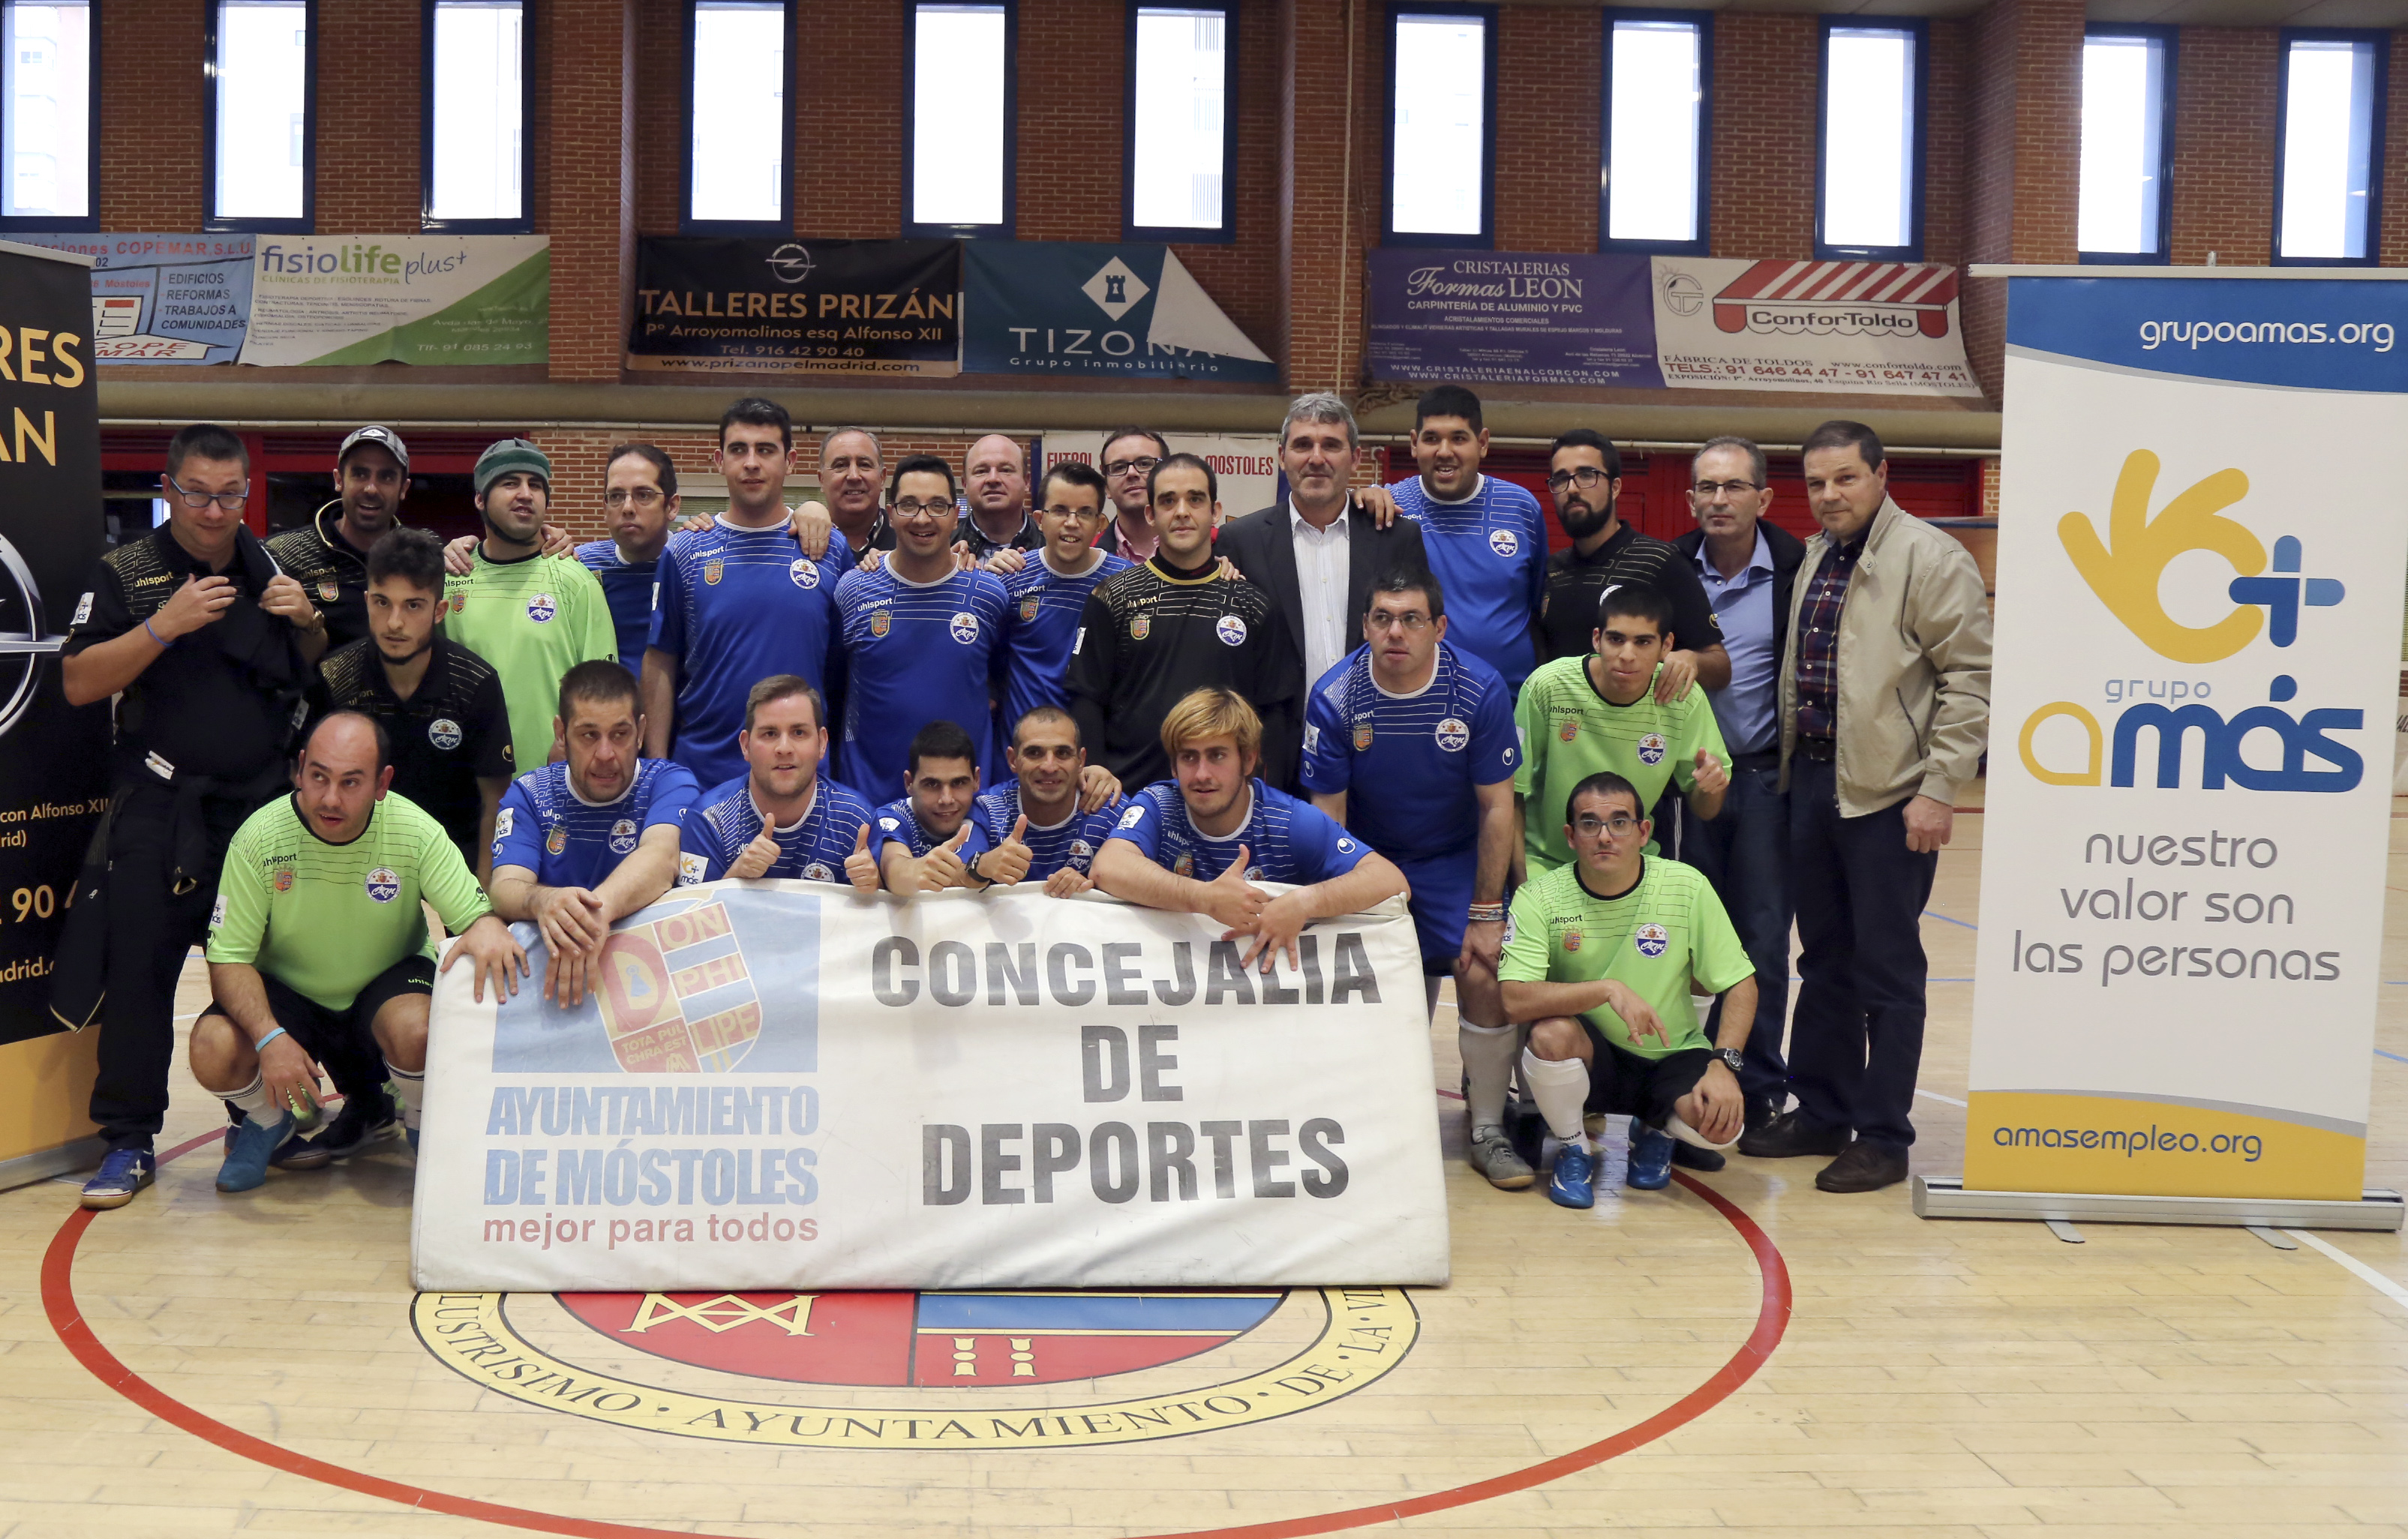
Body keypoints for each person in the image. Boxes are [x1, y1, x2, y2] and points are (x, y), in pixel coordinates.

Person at [62, 424, 326, 1211]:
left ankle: (256, 1120)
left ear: (247, 490)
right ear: (168, 489)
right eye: (197, 494)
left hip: (254, 810)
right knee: (139, 971)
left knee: (257, 975)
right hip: (158, 803)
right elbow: (77, 682)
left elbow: (308, 676)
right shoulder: (128, 572)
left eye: (230, 495)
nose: (214, 512)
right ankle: (129, 1141)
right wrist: (161, 626)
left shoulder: (271, 565)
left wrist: (307, 621)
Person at [1740, 420, 1991, 1194]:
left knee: (1887, 971)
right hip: (1815, 784)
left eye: (1845, 478)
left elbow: (1969, 681)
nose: (1830, 495)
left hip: (1891, 797)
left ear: (1881, 476)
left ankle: (1884, 1133)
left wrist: (1938, 788)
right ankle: (1823, 1111)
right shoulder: (1820, 554)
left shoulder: (1931, 557)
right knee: (1824, 963)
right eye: (1817, 482)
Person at [191, 712, 527, 1188]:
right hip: (290, 994)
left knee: (419, 1029)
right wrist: (268, 1037)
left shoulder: (416, 831)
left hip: (385, 987)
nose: (330, 798)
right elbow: (228, 958)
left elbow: (476, 917)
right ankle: (267, 1121)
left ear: (382, 783)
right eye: (319, 777)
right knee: (211, 1047)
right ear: (300, 768)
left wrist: (486, 925)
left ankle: (420, 1118)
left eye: (351, 782)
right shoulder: (257, 838)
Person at [1299, 568, 1525, 1187]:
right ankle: (1365, 1119)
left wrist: (1486, 909)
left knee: (1482, 967)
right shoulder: (1335, 696)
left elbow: (1497, 807)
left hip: (1454, 856)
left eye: (1411, 619)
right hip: (1369, 856)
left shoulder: (1477, 689)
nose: (1395, 632)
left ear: (1439, 627)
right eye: (1382, 618)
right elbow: (1329, 818)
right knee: (1356, 972)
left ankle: (1487, 1128)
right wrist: (1344, 899)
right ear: (1366, 625)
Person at [1499, 771, 1758, 1208]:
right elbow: (1513, 999)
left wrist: (1724, 1065)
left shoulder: (1686, 886)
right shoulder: (1539, 897)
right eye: (1589, 823)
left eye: (1620, 822)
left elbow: (1740, 983)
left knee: (1723, 1128)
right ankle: (1574, 1148)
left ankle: (1656, 1133)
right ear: (1570, 836)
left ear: (1643, 832)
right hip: (1594, 1058)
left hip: (1672, 1054)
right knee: (1549, 1036)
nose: (1605, 836)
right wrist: (1606, 989)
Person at [1671, 436, 1809, 1132]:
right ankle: (1683, 1080)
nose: (1718, 500)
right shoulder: (1668, 568)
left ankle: (1755, 1087)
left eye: (1733, 487)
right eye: (1707, 488)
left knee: (1759, 938)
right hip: (1682, 788)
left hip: (1761, 780)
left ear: (1764, 497)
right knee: (1681, 940)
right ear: (1691, 497)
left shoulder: (1797, 568)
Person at [1092, 688, 1409, 968]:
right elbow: (1108, 866)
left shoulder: (1290, 820)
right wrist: (1204, 898)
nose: (1202, 774)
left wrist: (1303, 903)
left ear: (1248, 760)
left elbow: (1391, 881)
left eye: (1217, 756)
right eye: (1189, 757)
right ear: (1174, 767)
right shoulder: (1158, 804)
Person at [1214, 394, 1429, 781]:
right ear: (1282, 456)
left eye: (1331, 444)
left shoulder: (1397, 536)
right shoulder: (1239, 541)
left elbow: (1419, 636)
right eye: (1302, 445)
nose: (1316, 457)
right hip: (1276, 752)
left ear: (1356, 458)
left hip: (1380, 740)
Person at [644, 400, 854, 790]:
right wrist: (657, 767)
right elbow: (661, 659)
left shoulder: (829, 548)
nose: (751, 462)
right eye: (738, 449)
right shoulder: (685, 550)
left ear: (790, 461)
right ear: (718, 460)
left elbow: (850, 667)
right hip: (700, 775)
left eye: (766, 450)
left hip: (803, 777)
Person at [1067, 454, 1303, 790]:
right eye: (1168, 501)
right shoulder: (1111, 597)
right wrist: (1096, 772)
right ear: (1150, 515)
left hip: (1225, 800)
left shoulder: (1253, 605)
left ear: (1215, 511)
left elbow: (1274, 715)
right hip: (1130, 797)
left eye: (1195, 499)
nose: (1182, 512)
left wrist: (1266, 792)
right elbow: (1085, 698)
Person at [489, 662, 698, 1008]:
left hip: (652, 990)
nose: (605, 754)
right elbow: (505, 887)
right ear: (561, 733)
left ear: (641, 731)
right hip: (551, 992)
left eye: (620, 734)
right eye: (589, 735)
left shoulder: (669, 782)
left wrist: (593, 920)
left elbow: (662, 857)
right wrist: (544, 901)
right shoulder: (528, 794)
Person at [311, 528, 514, 878]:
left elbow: (494, 804)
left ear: (439, 611)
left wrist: (483, 907)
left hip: (455, 870)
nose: (395, 622)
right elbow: (310, 790)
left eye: (413, 605)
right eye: (382, 602)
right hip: (355, 870)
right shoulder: (334, 678)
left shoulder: (476, 683)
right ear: (366, 601)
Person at [1517, 584, 1729, 878]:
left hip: (1634, 864)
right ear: (1597, 639)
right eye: (1616, 639)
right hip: (1545, 863)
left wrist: (1711, 785)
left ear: (1666, 646)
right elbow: (1513, 793)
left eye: (1643, 642)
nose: (1627, 655)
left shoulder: (1683, 698)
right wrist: (1519, 882)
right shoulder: (1548, 686)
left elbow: (1706, 809)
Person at [833, 456, 1011, 795]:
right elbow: (834, 683)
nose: (923, 518)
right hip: (869, 797)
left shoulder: (990, 594)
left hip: (962, 801)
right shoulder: (852, 589)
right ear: (890, 511)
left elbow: (1004, 681)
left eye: (938, 506)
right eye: (909, 505)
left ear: (956, 513)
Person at [443, 440, 617, 772]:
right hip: (464, 783)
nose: (526, 493)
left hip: (551, 783)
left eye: (535, 485)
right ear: (480, 499)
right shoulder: (450, 579)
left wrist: (575, 749)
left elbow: (602, 690)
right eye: (510, 483)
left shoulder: (575, 580)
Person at [1538, 430, 1728, 699]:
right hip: (1564, 734)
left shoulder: (1661, 561)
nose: (1572, 489)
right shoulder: (1550, 571)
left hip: (1638, 736)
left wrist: (1691, 660)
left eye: (1586, 476)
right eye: (1561, 479)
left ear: (1615, 487)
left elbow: (1720, 667)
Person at [1379, 386, 1548, 690]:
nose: (1445, 451)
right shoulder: (1389, 506)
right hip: (1418, 700)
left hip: (1510, 700)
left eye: (1458, 438)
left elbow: (1536, 604)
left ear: (1482, 443)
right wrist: (1357, 497)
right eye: (1431, 439)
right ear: (1414, 444)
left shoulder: (1521, 507)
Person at [678, 676, 877, 886]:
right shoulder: (709, 821)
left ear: (822, 743)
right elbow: (691, 914)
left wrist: (874, 887)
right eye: (770, 733)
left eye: (799, 732)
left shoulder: (857, 819)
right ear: (746, 746)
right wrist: (734, 879)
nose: (784, 748)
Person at [998, 461, 1131, 730]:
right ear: (1039, 520)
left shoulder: (1125, 582)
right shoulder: (1011, 577)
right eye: (1059, 511)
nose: (1072, 523)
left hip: (1094, 752)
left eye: (1085, 512)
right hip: (1021, 753)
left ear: (1100, 524)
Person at [263, 425, 413, 650]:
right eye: (360, 474)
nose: (371, 488)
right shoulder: (283, 553)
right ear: (339, 479)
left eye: (387, 476)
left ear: (403, 488)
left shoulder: (423, 552)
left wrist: (464, 547)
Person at [974, 706, 1125, 895]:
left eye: (1062, 753)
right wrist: (981, 867)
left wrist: (1094, 888)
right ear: (1013, 760)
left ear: (1081, 760)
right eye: (1034, 753)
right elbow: (955, 872)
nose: (1049, 766)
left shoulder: (1113, 809)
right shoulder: (987, 809)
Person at [863, 719, 1016, 894]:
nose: (947, 799)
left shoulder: (982, 810)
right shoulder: (892, 817)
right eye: (932, 784)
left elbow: (964, 871)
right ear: (909, 783)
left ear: (976, 780)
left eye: (958, 783)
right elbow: (894, 871)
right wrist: (918, 869)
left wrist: (980, 867)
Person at [578, 442, 680, 667]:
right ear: (604, 508)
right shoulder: (579, 567)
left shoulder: (690, 565)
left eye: (643, 495)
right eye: (615, 496)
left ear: (671, 506)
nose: (627, 508)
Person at [956, 434, 1044, 562]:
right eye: (981, 471)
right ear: (965, 484)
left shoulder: (1053, 548)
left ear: (1026, 482)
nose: (993, 479)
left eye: (1005, 470)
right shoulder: (941, 548)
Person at [1094, 427, 1168, 561]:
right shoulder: (1088, 558)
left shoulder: (1211, 546)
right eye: (1119, 467)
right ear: (1107, 488)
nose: (1132, 473)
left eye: (1145, 464)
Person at [818, 426, 891, 556]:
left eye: (864, 464)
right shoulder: (800, 540)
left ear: (882, 477)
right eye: (840, 465)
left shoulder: (907, 542)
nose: (854, 476)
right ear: (822, 480)